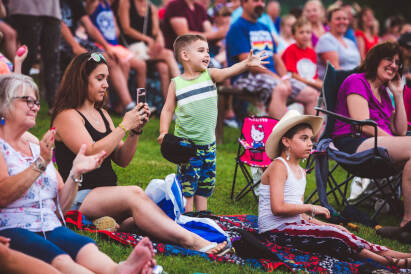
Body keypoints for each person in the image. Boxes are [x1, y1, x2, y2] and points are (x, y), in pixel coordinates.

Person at [51, 52, 229, 255]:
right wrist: (124, 126)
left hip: (106, 193)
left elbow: (122, 159)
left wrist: (135, 131)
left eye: (107, 78)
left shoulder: (102, 113)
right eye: (99, 78)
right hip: (78, 195)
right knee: (135, 194)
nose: (106, 84)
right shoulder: (66, 116)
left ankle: (113, 223)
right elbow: (91, 154)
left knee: (153, 208)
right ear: (81, 80)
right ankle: (194, 242)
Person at [0, 73, 155, 274]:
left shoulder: (37, 147)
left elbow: (60, 208)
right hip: (14, 228)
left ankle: (118, 270)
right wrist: (40, 164)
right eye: (27, 100)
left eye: (36, 102)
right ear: (4, 102)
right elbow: (3, 194)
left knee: (86, 247)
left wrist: (75, 172)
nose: (35, 107)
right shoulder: (4, 147)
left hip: (50, 226)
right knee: (61, 259)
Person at [259, 109, 411, 268]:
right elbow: (278, 208)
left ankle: (402, 255)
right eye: (303, 139)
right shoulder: (278, 166)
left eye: (311, 139)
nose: (310, 143)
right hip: (275, 231)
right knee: (335, 235)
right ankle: (390, 263)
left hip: (293, 225)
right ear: (286, 141)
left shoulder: (299, 171)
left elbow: (300, 214)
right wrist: (313, 208)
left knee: (342, 232)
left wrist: (328, 224)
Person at [158, 34, 268, 212]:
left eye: (208, 51)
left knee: (205, 184)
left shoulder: (210, 75)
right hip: (187, 146)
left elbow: (229, 71)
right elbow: (167, 109)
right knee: (188, 185)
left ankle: (203, 215)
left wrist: (246, 64)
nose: (207, 55)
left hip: (209, 145)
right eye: (201, 51)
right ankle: (188, 217)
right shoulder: (176, 83)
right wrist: (163, 132)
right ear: (185, 55)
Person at [330, 42, 411, 237]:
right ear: (375, 59)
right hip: (354, 142)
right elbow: (363, 124)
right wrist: (397, 142)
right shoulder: (356, 81)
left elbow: (400, 130)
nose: (394, 65)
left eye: (397, 63)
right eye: (389, 60)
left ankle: (407, 223)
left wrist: (398, 95)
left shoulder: (384, 92)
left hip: (380, 142)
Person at [226, 0, 318, 119]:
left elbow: (275, 58)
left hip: (271, 77)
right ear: (243, 3)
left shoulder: (264, 27)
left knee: (311, 94)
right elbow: (250, 64)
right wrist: (278, 79)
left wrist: (285, 78)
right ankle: (280, 136)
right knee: (281, 88)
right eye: (255, 1)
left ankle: (313, 137)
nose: (260, 4)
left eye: (262, 1)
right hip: (245, 77)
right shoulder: (237, 28)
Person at [60, 0, 140, 114]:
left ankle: (121, 104)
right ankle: (126, 104)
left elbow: (90, 27)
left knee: (114, 59)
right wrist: (75, 46)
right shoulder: (57, 3)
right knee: (107, 61)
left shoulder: (76, 3)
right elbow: (61, 25)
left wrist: (107, 47)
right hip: (62, 42)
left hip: (78, 40)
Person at [116, 0, 180, 100]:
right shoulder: (126, 3)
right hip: (129, 48)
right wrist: (148, 39)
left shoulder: (152, 8)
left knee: (163, 68)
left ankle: (168, 106)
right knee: (168, 54)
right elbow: (126, 29)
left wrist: (159, 42)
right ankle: (182, 91)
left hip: (145, 49)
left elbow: (155, 31)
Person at [7, 0, 61, 109]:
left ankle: (54, 104)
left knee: (52, 58)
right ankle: (17, 100)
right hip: (26, 8)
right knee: (27, 57)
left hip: (52, 10)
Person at [161, 0, 228, 50]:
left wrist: (220, 34)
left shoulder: (200, 8)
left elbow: (210, 33)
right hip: (180, 52)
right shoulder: (175, 5)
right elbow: (184, 35)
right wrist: (217, 34)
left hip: (199, 51)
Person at [315, 7, 361, 80]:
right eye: (338, 19)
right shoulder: (326, 40)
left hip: (355, 80)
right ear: (328, 22)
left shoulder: (350, 43)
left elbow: (359, 65)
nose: (342, 21)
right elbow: (335, 70)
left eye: (345, 19)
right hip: (337, 84)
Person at [281, 18, 322, 91]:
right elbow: (293, 75)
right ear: (293, 35)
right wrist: (316, 84)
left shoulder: (312, 52)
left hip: (311, 85)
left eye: (308, 32)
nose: (305, 35)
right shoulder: (291, 50)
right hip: (296, 86)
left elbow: (315, 77)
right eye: (301, 32)